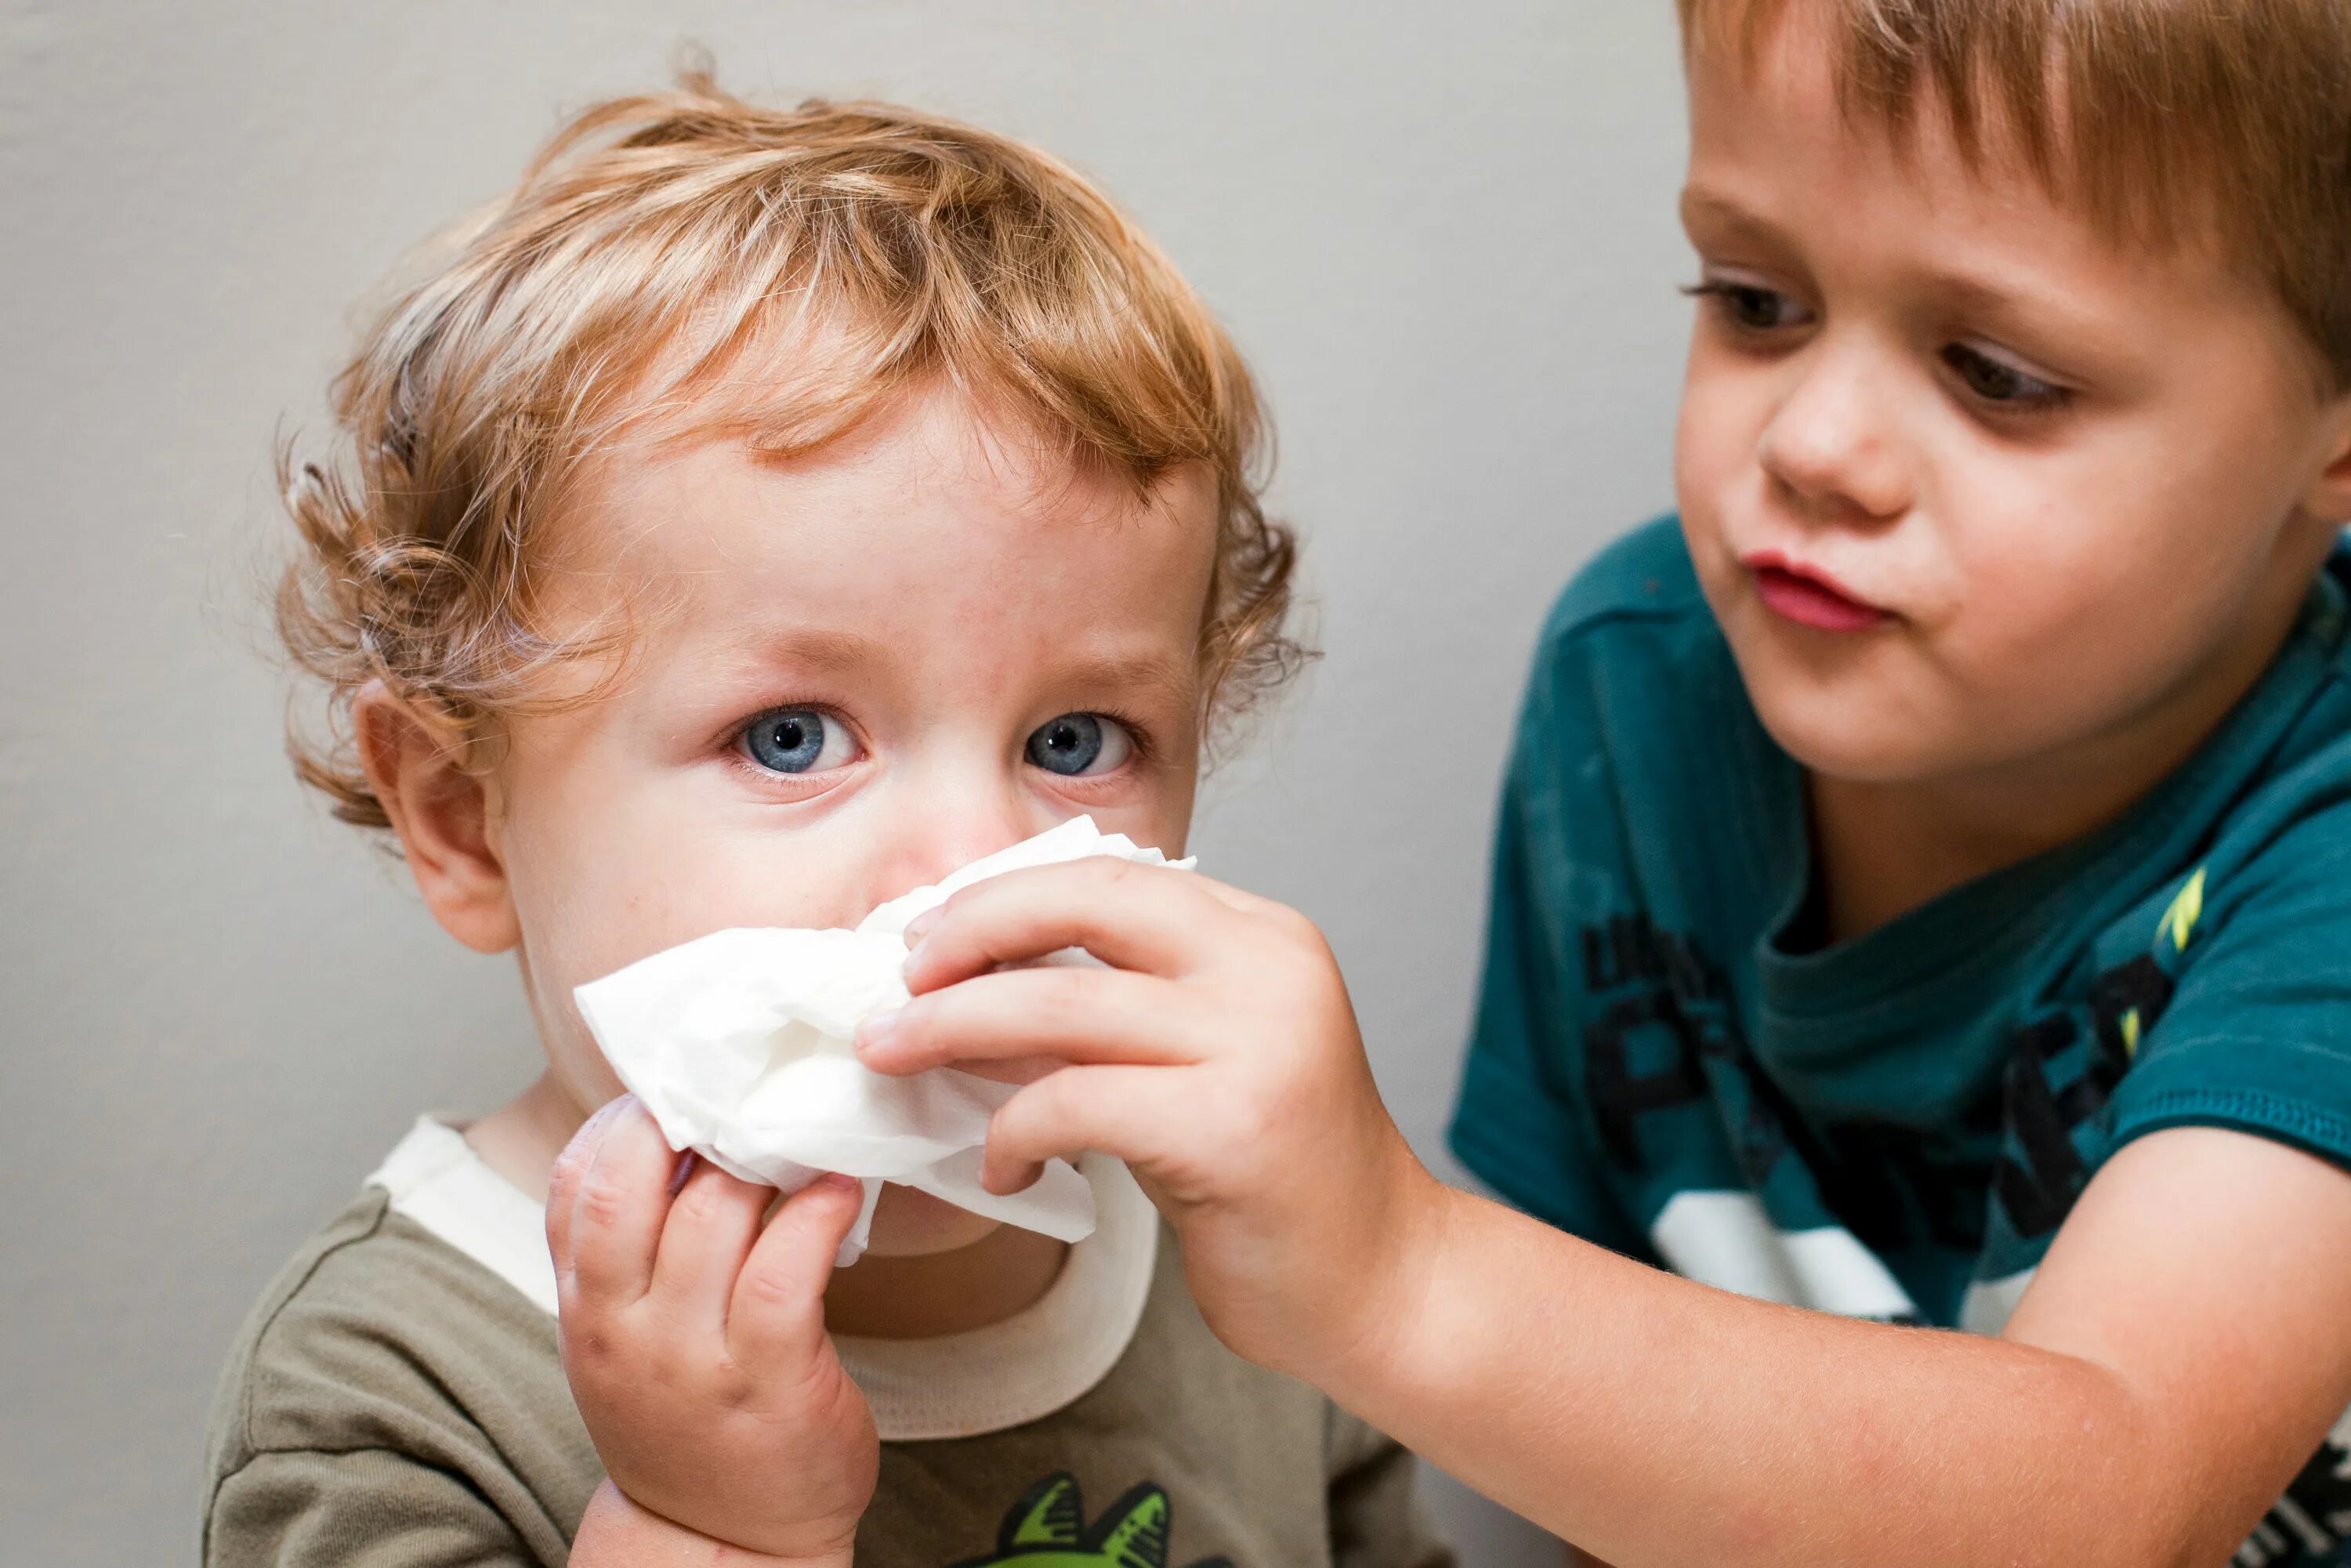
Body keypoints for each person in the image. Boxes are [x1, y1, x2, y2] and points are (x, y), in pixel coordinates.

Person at [849, 1, 2351, 1562]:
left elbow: (2121, 1500)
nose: (1817, 443)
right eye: (1757, 300)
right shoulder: (1639, 689)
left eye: (1998, 374)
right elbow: (1616, 1442)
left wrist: (1402, 1271)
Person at [203, 74, 1453, 1568]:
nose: (968, 871)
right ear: (466, 819)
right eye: (790, 739)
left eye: (1076, 740)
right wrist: (701, 1527)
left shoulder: (1244, 1260)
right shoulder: (395, 1393)